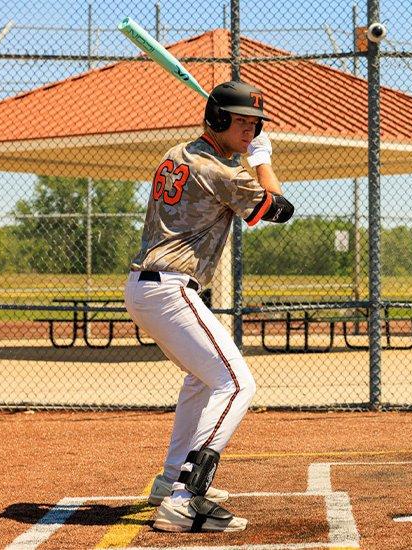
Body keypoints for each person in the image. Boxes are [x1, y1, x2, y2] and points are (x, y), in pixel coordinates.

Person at [124, 80, 294, 533]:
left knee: (203, 380)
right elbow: (279, 209)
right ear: (217, 119)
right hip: (169, 287)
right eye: (241, 122)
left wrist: (246, 149)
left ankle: (169, 478)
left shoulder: (177, 152)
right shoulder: (221, 171)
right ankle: (185, 497)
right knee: (237, 384)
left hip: (148, 286)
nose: (251, 129)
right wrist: (262, 160)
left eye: (256, 124)